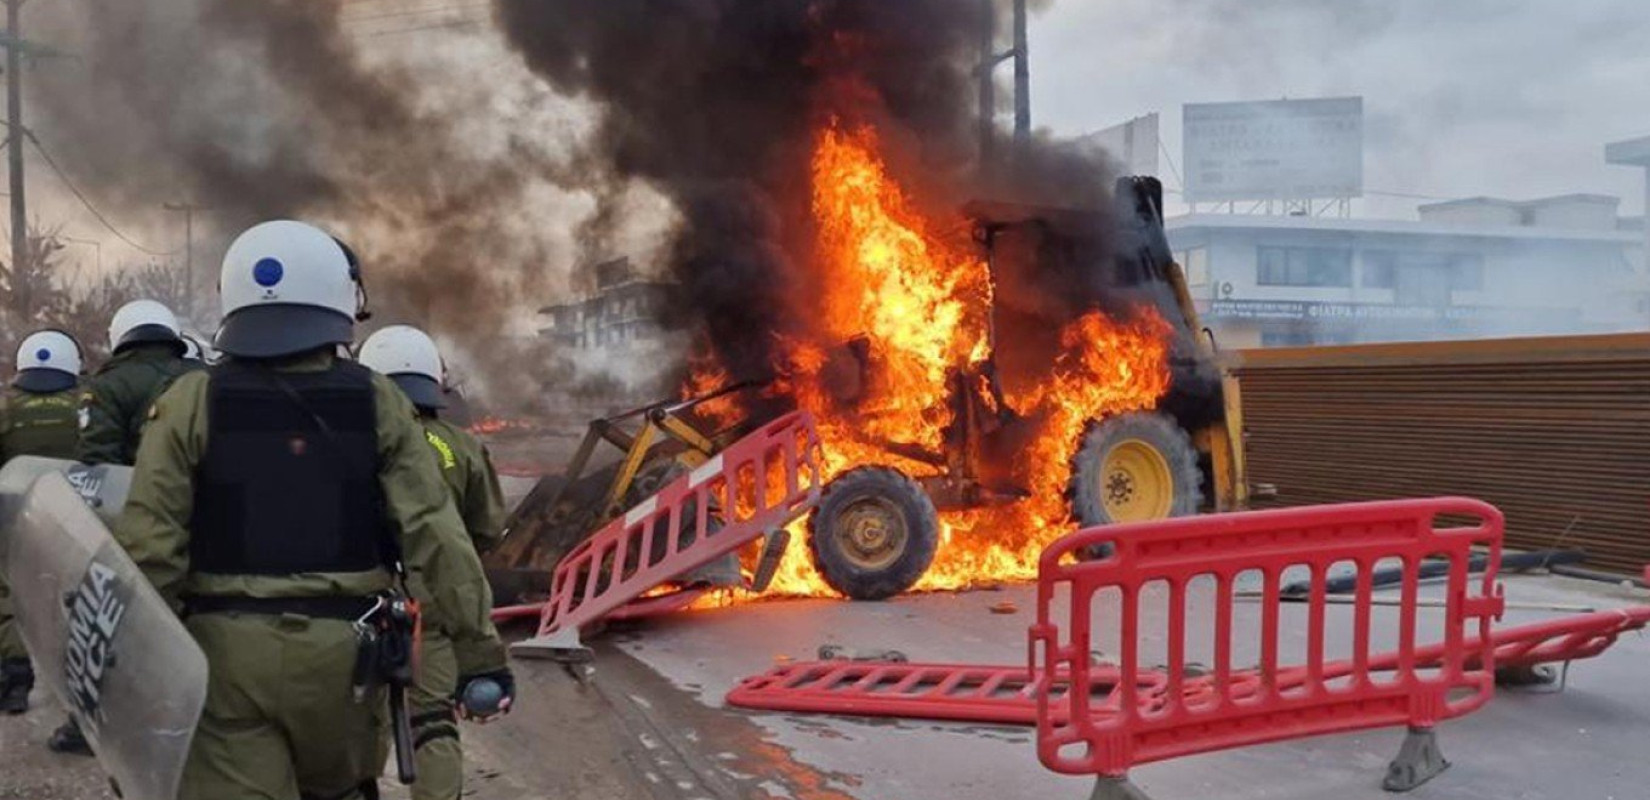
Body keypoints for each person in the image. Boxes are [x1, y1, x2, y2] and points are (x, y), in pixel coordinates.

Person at [114, 220, 512, 800]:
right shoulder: (378, 399)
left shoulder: (187, 402)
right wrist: (479, 656)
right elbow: (435, 537)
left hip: (226, 662)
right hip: (344, 661)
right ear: (338, 297)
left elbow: (152, 551)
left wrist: (133, 672)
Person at [44, 299, 203, 754]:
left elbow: (99, 465)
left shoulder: (108, 386)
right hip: (208, 525)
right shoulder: (203, 379)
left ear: (121, 338)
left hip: (140, 523)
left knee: (108, 622)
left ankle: (90, 724)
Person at [358, 325, 506, 800]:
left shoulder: (346, 442)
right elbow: (486, 528)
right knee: (432, 722)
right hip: (433, 605)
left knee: (346, 727)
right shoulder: (460, 445)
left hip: (355, 601)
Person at [0, 330, 84, 715]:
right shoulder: (84, 410)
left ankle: (15, 680)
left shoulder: (8, 411)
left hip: (16, 518)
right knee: (74, 596)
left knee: (8, 596)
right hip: (75, 521)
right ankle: (79, 686)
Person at [77, 298, 201, 466]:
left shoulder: (107, 385)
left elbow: (99, 459)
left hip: (139, 488)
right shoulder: (204, 374)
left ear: (117, 335)